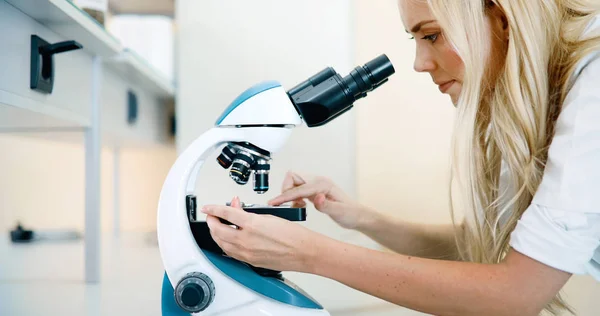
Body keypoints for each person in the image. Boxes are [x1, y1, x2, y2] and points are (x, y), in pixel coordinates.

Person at [201, 0, 600, 315]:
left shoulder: (592, 87)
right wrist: (357, 216)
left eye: (431, 35)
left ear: (501, 17)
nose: (420, 64)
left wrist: (307, 253)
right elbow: (485, 245)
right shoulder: (543, 95)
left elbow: (514, 295)